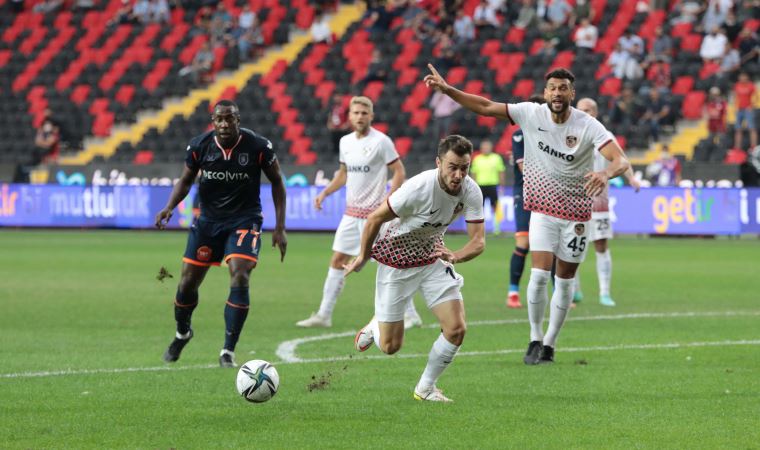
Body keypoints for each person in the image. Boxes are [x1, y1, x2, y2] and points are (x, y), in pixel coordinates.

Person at [423, 65, 630, 365]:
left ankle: (550, 343)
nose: (557, 93)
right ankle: (534, 338)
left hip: (577, 215)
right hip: (543, 210)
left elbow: (620, 160)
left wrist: (606, 172)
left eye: (563, 88)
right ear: (545, 93)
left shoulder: (588, 125)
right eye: (552, 88)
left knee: (566, 278)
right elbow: (484, 106)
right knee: (538, 275)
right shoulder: (530, 114)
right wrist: (448, 90)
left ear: (572, 93)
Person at [349, 135, 486, 402]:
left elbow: (479, 241)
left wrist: (455, 256)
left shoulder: (471, 191)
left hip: (432, 257)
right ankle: (375, 326)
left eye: (464, 167)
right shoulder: (419, 187)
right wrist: (364, 256)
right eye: (452, 166)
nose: (459, 174)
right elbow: (375, 218)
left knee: (456, 329)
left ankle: (425, 389)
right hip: (395, 260)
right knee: (390, 346)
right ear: (439, 163)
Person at [155, 100, 288, 368]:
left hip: (245, 220)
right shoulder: (199, 146)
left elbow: (277, 182)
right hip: (208, 222)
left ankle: (228, 350)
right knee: (186, 285)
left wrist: (280, 227)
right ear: (213, 121)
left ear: (238, 120)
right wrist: (170, 207)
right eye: (220, 119)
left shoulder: (259, 147)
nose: (225, 124)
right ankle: (183, 333)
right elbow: (185, 180)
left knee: (240, 273)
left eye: (230, 119)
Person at [295, 96, 422, 329]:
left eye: (364, 113)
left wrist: (389, 202)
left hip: (374, 216)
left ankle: (411, 314)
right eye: (356, 113)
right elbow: (343, 174)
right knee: (337, 260)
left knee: (389, 265)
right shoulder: (345, 142)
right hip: (350, 214)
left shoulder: (382, 141)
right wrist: (325, 193)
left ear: (371, 116)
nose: (360, 116)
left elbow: (399, 171)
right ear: (349, 116)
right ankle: (324, 315)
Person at [571, 98, 640, 308]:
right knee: (571, 246)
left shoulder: (605, 136)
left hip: (599, 201)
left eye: (589, 110)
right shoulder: (569, 135)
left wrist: (632, 178)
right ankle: (574, 291)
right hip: (573, 201)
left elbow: (621, 159)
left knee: (601, 245)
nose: (586, 113)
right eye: (582, 110)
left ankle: (604, 292)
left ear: (596, 113)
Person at [506, 95, 546, 309]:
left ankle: (559, 290)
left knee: (551, 243)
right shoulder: (520, 136)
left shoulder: (551, 136)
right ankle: (513, 291)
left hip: (548, 194)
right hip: (526, 194)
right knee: (524, 243)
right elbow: (524, 167)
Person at [470, 139, 506, 235]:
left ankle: (497, 228)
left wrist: (502, 186)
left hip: (493, 185)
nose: (486, 148)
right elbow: (473, 174)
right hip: (480, 186)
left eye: (487, 146)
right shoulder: (477, 159)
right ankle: (480, 229)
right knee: (479, 208)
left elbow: (501, 172)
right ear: (481, 148)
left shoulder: (496, 158)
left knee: (495, 207)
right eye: (484, 147)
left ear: (491, 147)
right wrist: (473, 187)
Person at [734, 72, 758, 152]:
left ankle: (753, 147)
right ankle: (737, 148)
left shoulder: (751, 86)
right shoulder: (737, 85)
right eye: (740, 76)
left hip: (748, 109)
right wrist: (735, 107)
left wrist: (752, 106)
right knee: (738, 129)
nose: (741, 78)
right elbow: (735, 97)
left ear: (747, 77)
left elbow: (756, 97)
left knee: (751, 128)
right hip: (739, 109)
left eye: (743, 76)